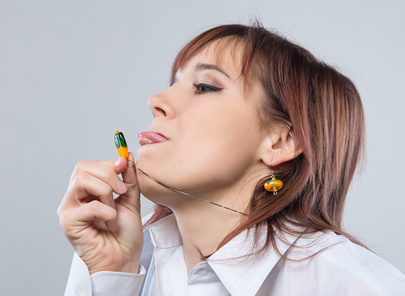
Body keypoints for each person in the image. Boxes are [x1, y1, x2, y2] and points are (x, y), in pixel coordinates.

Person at [58, 23, 405, 296]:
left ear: (282, 141)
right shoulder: (128, 262)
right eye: (174, 83)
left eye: (204, 86)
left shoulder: (355, 287)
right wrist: (109, 278)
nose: (155, 100)